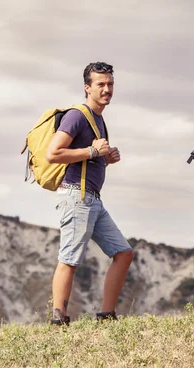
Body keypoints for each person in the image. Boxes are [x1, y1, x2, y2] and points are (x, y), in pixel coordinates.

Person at [45, 62, 134, 324]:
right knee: (69, 259)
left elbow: (85, 156)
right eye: (101, 84)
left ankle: (106, 315)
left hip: (92, 199)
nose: (107, 89)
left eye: (110, 84)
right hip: (76, 196)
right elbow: (54, 153)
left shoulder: (99, 119)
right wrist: (94, 152)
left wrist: (105, 159)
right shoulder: (77, 116)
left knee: (123, 252)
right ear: (87, 88)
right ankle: (58, 320)